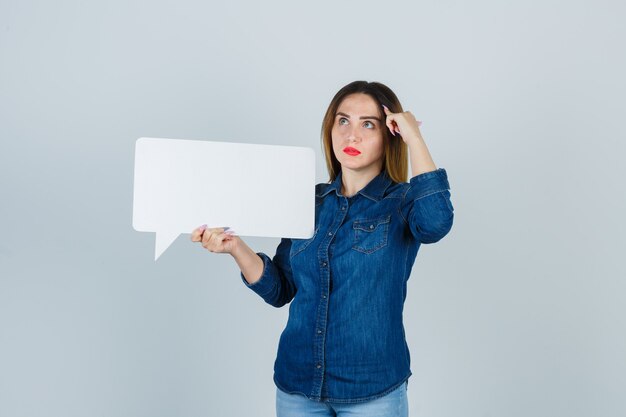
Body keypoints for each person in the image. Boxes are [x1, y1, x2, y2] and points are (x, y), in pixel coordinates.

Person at [191, 80, 454, 417]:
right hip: (298, 385)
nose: (351, 135)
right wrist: (235, 247)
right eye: (342, 121)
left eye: (368, 124)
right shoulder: (308, 201)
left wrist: (414, 137)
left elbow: (436, 223)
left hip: (371, 390)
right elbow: (280, 289)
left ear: (390, 134)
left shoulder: (401, 202)